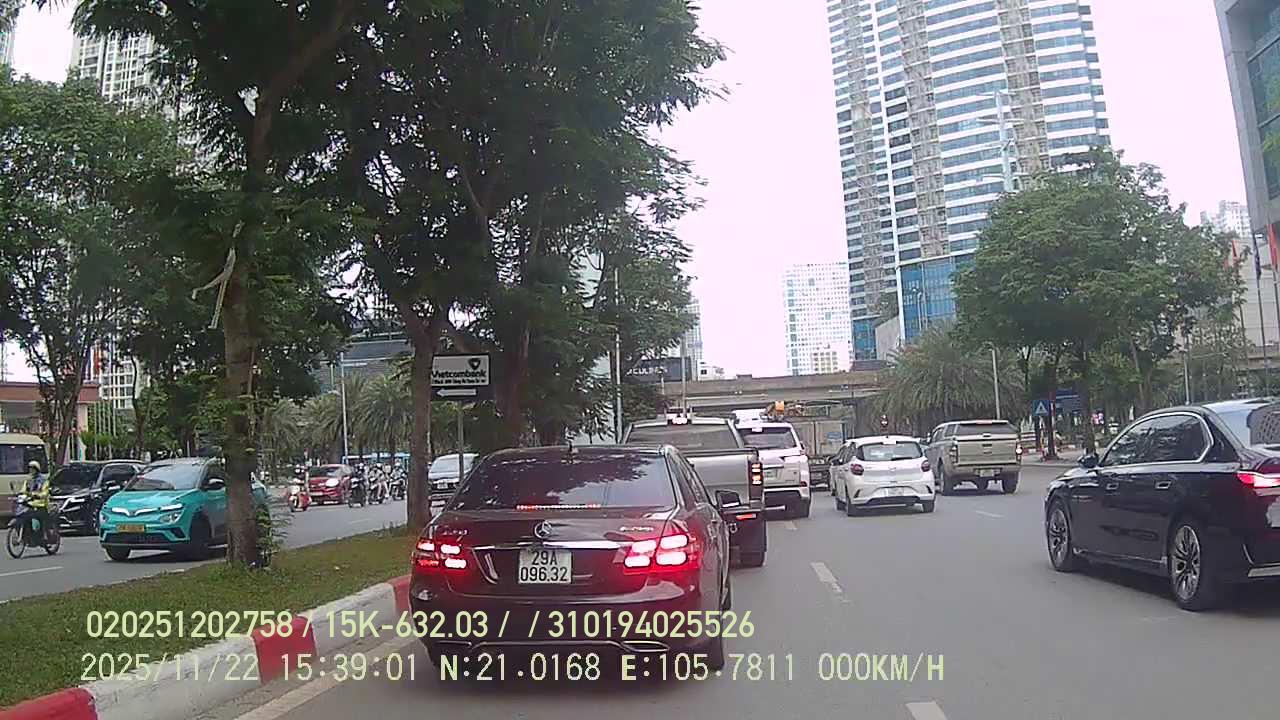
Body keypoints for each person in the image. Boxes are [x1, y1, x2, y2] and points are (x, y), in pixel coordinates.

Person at [23, 460, 52, 542]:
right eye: (30, 468)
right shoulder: (28, 480)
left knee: (41, 519)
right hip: (30, 504)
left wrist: (38, 495)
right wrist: (21, 495)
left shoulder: (43, 480)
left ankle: (44, 536)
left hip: (41, 505)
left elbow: (45, 492)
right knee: (25, 517)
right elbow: (24, 490)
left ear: (37, 469)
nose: (31, 470)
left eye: (32, 468)